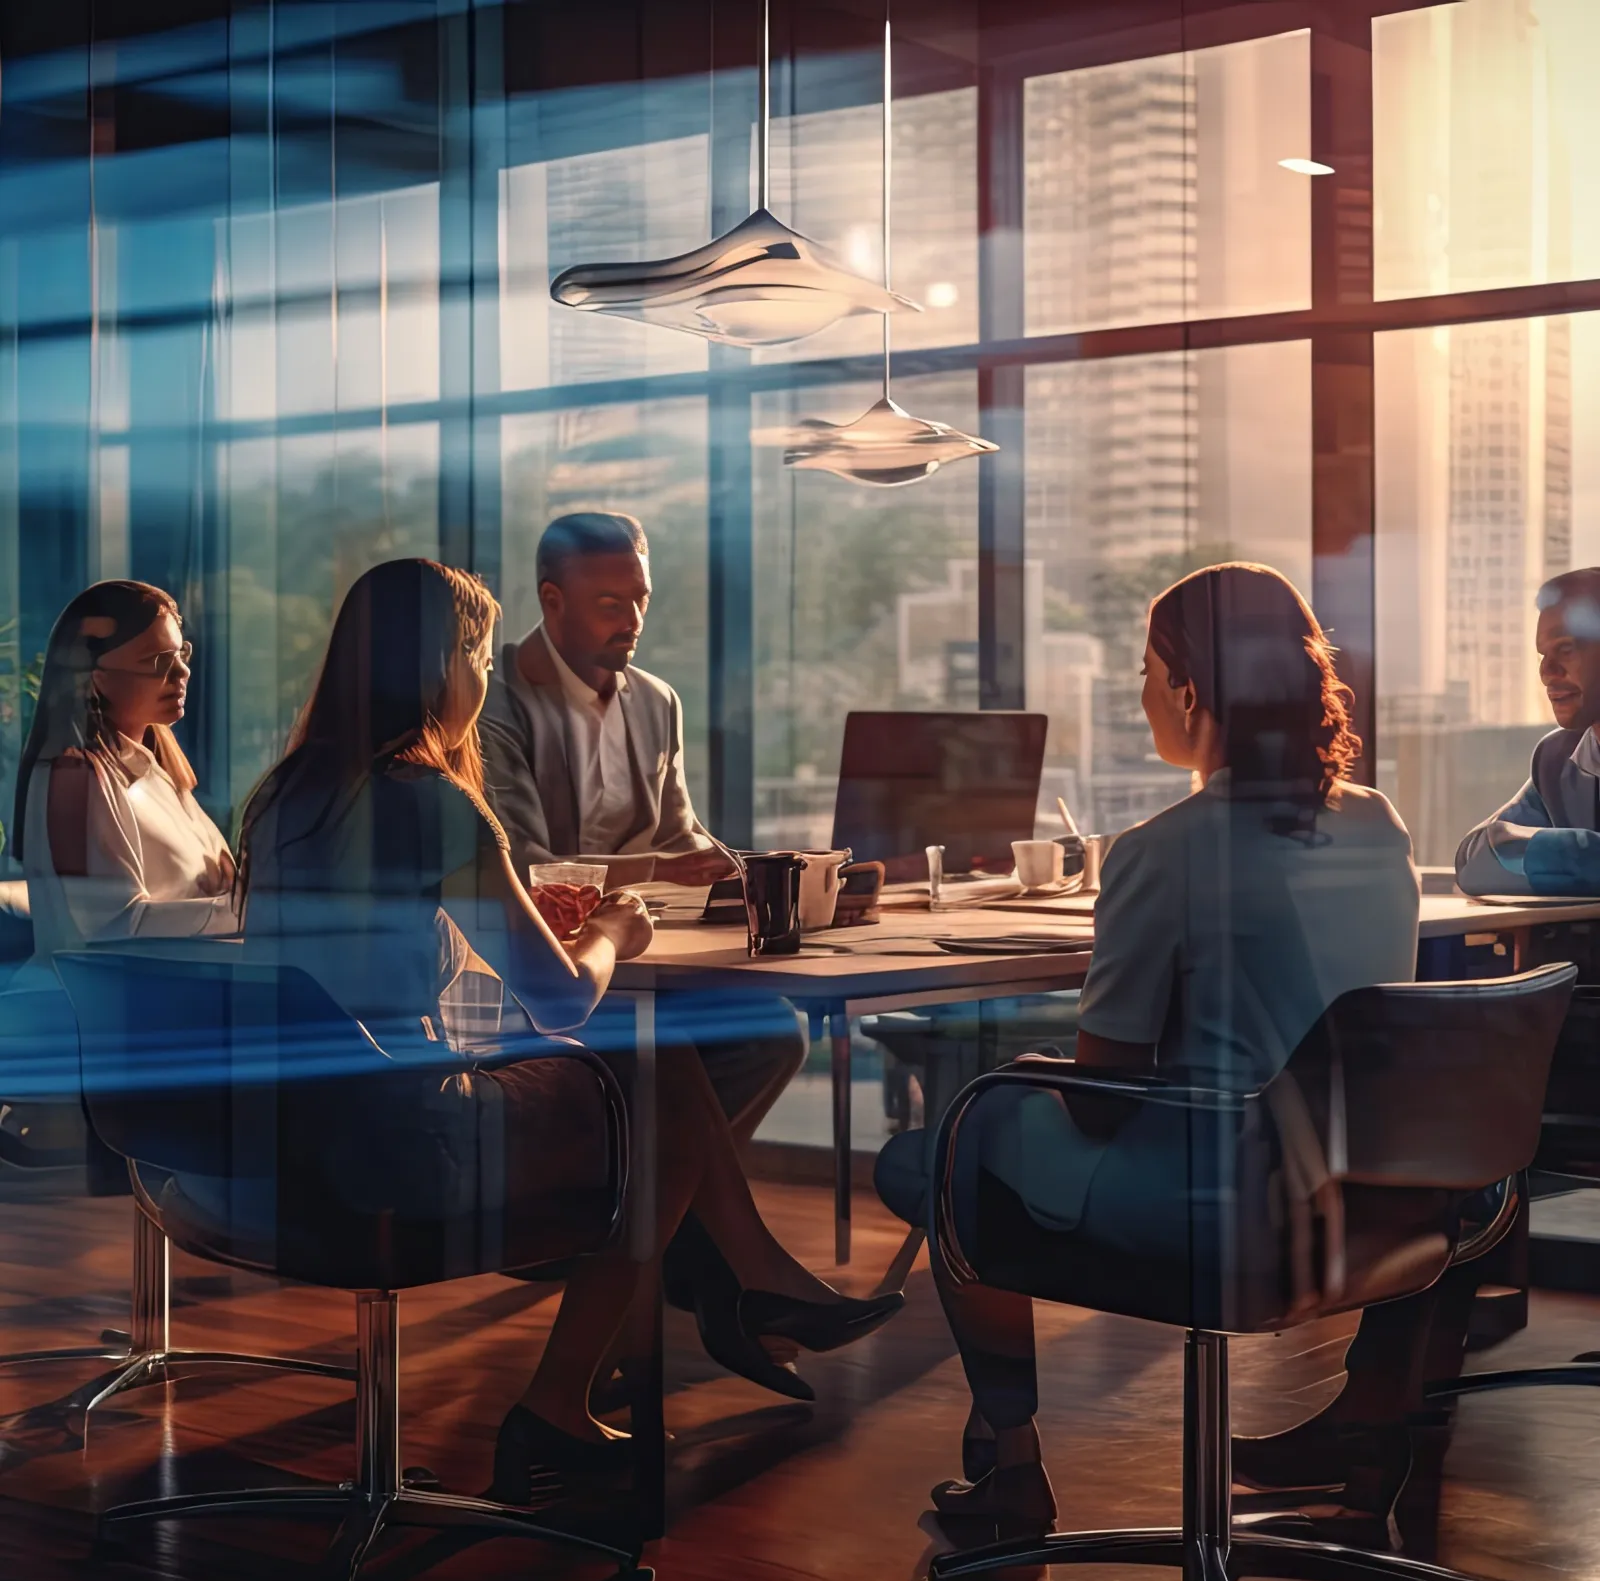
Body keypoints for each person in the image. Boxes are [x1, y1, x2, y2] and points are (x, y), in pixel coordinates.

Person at [235, 558, 900, 1496]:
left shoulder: (284, 800)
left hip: (280, 1141)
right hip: (400, 1144)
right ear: (441, 665)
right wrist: (612, 933)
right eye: (476, 655)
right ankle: (614, 1360)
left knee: (650, 1072)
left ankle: (739, 1279)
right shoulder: (431, 798)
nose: (484, 681)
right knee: (654, 1085)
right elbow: (561, 1000)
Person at [873, 563, 1423, 1526]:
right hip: (1373, 1202)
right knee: (998, 1109)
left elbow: (1101, 1097)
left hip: (1221, 1206)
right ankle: (1372, 1439)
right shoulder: (1379, 826)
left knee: (952, 1148)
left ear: (1188, 688)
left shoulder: (1163, 849)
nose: (1140, 694)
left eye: (1144, 670)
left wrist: (1033, 1070)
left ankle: (1010, 1468)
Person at [479, 512, 811, 1393]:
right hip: (539, 963)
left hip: (641, 950)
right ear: (551, 601)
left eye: (640, 599)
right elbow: (511, 858)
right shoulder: (493, 699)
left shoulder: (654, 700)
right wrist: (660, 865)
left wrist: (725, 861)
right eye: (607, 603)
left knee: (772, 1029)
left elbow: (677, 826)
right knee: (666, 1057)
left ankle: (652, 1230)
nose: (629, 619)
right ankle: (696, 1263)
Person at [13, 580, 238, 972]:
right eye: (158, 661)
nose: (182, 671)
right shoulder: (77, 777)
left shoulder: (156, 773)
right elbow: (110, 926)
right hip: (97, 1015)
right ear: (94, 678)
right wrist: (246, 911)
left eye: (180, 652)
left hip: (158, 1002)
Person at [1457, 567, 1600, 895]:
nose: (1546, 672)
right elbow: (1476, 857)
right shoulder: (1557, 758)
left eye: (1566, 649)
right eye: (1543, 655)